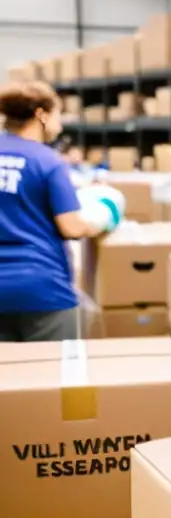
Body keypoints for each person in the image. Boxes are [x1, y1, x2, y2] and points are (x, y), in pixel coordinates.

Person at [0, 82, 102, 342]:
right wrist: (99, 222)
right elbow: (71, 226)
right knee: (52, 376)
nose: (60, 124)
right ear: (41, 115)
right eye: (58, 115)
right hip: (41, 287)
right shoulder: (47, 160)